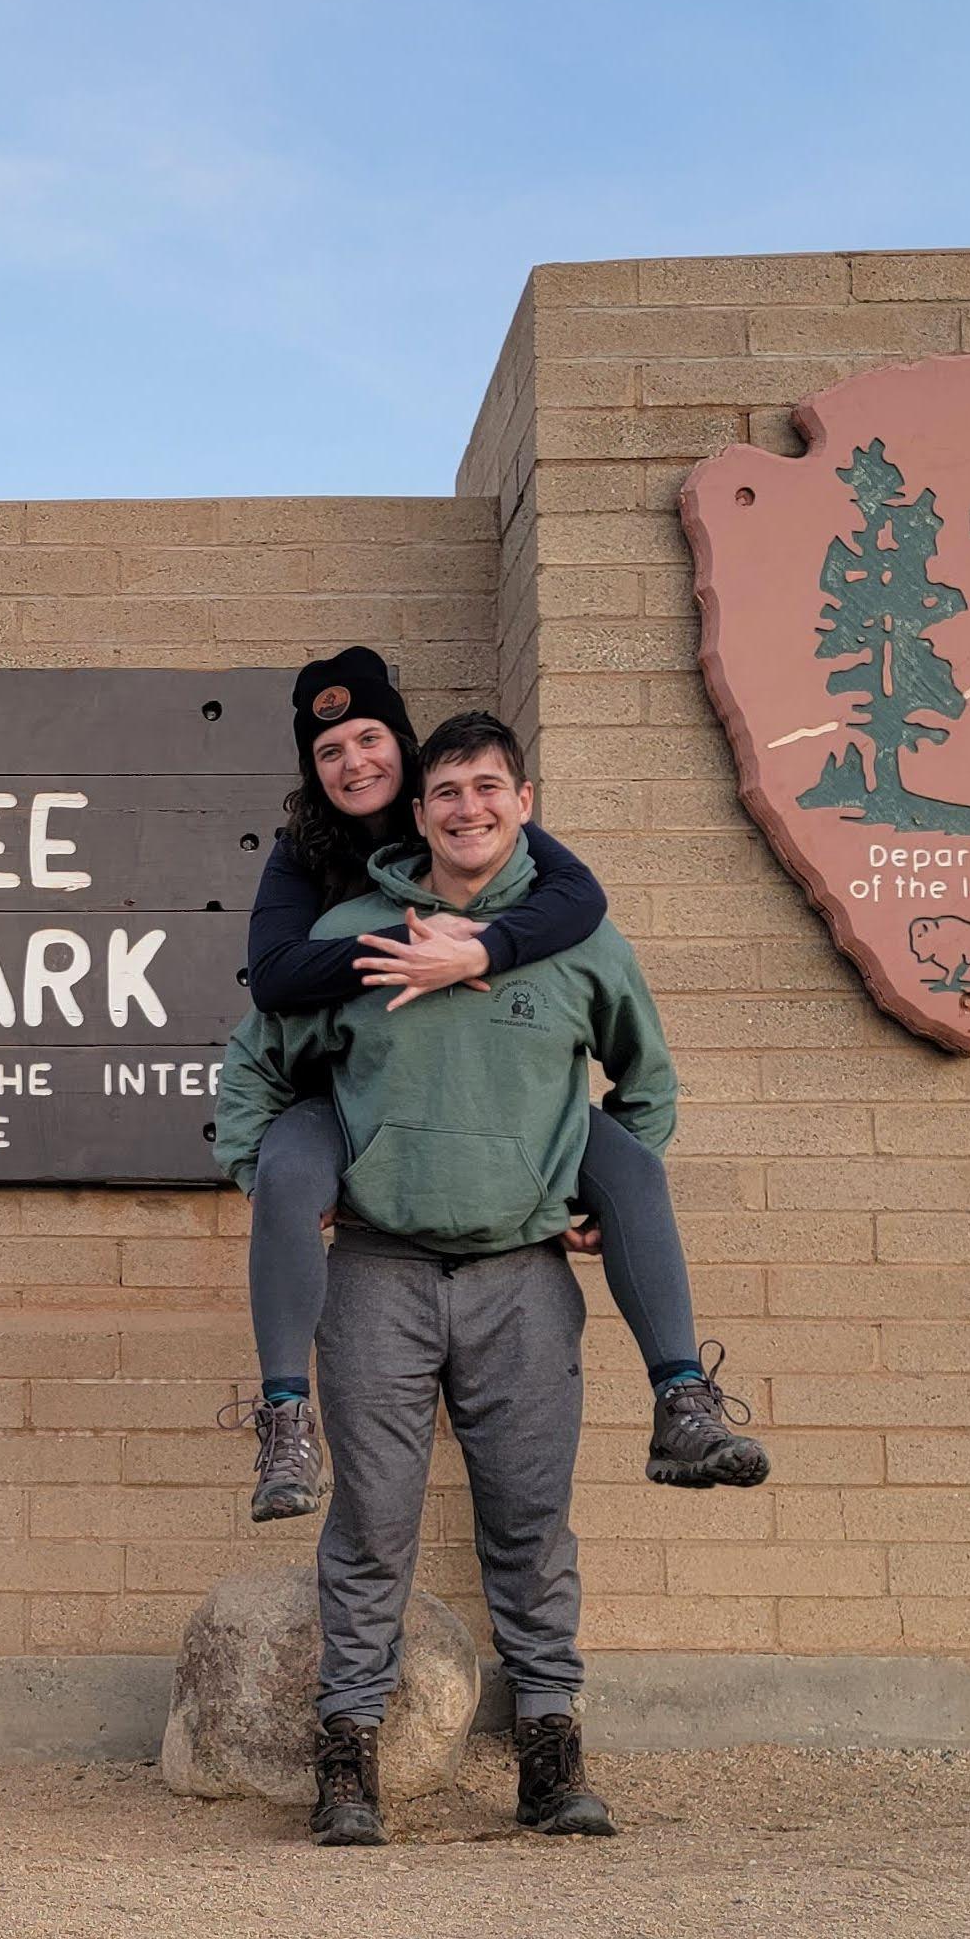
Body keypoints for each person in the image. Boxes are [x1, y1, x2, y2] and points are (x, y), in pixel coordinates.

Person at [218, 712, 680, 1846]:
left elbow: (646, 1081)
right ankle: (347, 1759)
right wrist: (267, 1173)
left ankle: (551, 1751)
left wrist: (594, 1193)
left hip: (520, 1277)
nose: (467, 808)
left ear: (522, 798)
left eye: (487, 787)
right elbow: (254, 1066)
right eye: (445, 794)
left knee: (530, 1522)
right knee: (370, 1526)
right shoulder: (355, 933)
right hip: (376, 1272)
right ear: (415, 813)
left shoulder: (577, 939)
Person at [230, 646, 761, 1521]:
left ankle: (682, 1400)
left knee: (630, 1166)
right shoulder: (304, 861)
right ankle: (285, 1416)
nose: (353, 760)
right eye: (328, 751)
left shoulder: (494, 831)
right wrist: (411, 953)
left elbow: (581, 904)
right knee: (286, 1168)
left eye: (369, 738)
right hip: (354, 1095)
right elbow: (277, 982)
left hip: (510, 1100)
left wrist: (478, 950)